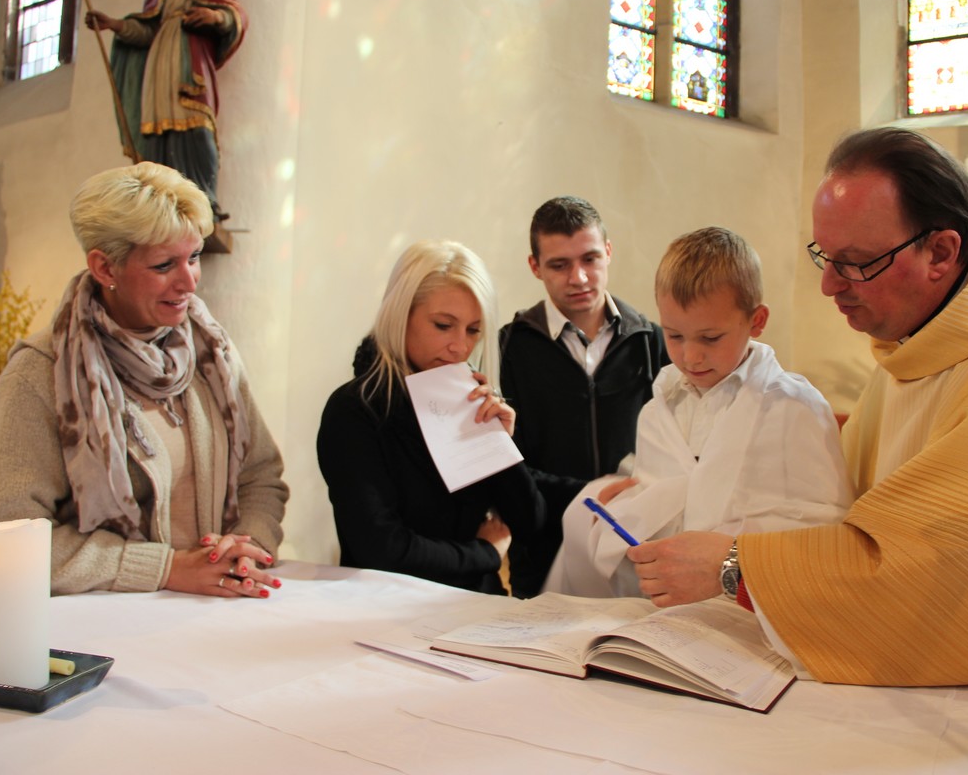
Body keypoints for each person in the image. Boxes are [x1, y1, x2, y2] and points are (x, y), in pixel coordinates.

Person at [625, 127, 968, 691]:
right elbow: (846, 517)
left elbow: (955, 583)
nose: (827, 285)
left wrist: (735, 566)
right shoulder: (913, 354)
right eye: (824, 256)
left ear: (941, 252)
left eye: (856, 262)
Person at [0, 162, 287, 598]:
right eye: (164, 265)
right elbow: (2, 539)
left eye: (194, 257)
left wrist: (246, 546)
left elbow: (261, 477)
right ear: (105, 268)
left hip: (211, 611)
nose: (189, 281)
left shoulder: (213, 353)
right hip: (101, 622)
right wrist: (163, 569)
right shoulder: (39, 373)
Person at [546, 227, 851, 597]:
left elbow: (825, 535)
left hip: (749, 608)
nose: (690, 357)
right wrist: (627, 516)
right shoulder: (658, 411)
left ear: (756, 321)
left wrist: (733, 556)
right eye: (674, 336)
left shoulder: (794, 408)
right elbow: (658, 507)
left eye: (710, 338)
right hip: (665, 607)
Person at [317, 240, 544, 595]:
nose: (460, 347)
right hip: (386, 610)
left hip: (479, 608)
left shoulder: (471, 399)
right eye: (443, 325)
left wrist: (502, 447)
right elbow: (382, 551)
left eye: (473, 330)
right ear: (400, 316)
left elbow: (531, 525)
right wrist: (485, 553)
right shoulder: (353, 411)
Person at [500, 196, 668, 597]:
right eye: (559, 265)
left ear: (608, 252)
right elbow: (508, 466)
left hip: (635, 549)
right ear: (535, 267)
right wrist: (590, 495)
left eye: (590, 259)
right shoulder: (508, 349)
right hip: (542, 551)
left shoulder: (651, 341)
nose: (578, 278)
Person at [85, 0, 246, 220]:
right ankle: (159, 202)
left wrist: (215, 17)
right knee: (156, 132)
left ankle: (204, 201)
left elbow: (236, 15)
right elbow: (148, 30)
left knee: (198, 129)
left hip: (189, 59)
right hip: (158, 65)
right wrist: (115, 24)